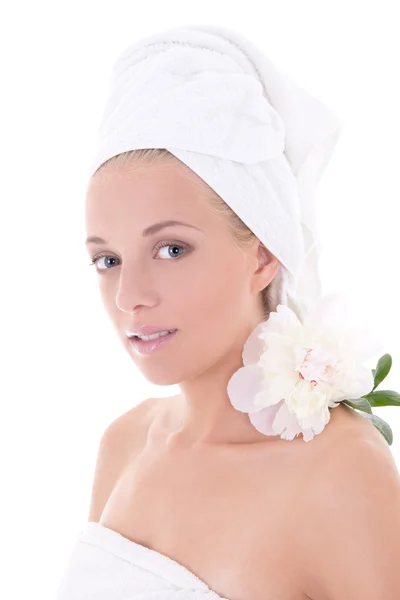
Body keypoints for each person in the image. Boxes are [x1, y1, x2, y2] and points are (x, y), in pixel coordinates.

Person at [54, 24, 400, 600]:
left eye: (171, 249)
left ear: (265, 253)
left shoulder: (343, 474)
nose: (128, 295)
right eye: (108, 259)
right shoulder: (125, 442)